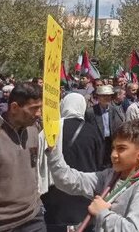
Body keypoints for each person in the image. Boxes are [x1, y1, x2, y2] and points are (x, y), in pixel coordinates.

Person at [46, 120, 139, 232]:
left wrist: (102, 212)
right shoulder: (108, 176)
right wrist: (53, 150)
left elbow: (135, 229)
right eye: (113, 148)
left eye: (121, 148)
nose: (113, 155)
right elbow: (68, 180)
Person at [0, 82, 44, 231]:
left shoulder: (33, 130)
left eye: (40, 107)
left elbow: (33, 169)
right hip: (2, 224)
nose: (39, 113)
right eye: (34, 109)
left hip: (33, 217)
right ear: (15, 108)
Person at [42, 93, 104, 231]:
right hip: (83, 191)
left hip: (54, 192)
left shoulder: (50, 130)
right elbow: (99, 162)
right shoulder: (92, 131)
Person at [85, 85, 125, 168]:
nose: (106, 98)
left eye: (109, 96)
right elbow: (88, 129)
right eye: (104, 96)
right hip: (97, 143)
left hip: (110, 142)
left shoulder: (114, 110)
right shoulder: (90, 112)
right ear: (98, 97)